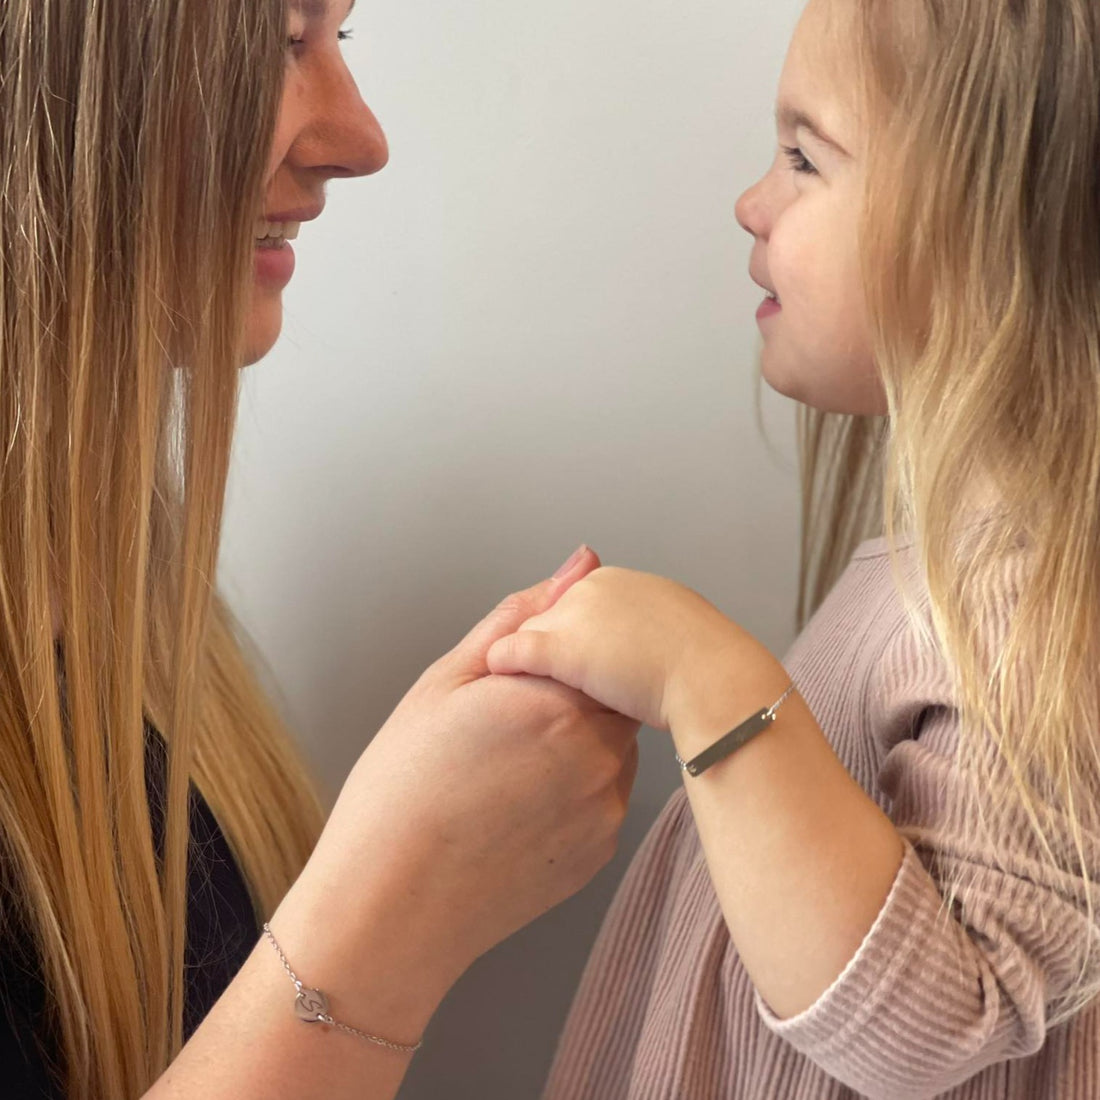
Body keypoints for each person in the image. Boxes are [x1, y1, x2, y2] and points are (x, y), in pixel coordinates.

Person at [0, 0, 640, 1097]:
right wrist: (391, 912)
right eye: (274, 45)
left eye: (342, 39)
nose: (359, 138)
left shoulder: (113, 601)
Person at [497, 0, 1100, 1096]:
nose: (750, 202)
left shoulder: (1023, 599)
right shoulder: (960, 579)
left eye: (801, 157)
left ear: (983, 220)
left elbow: (943, 1019)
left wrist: (703, 671)